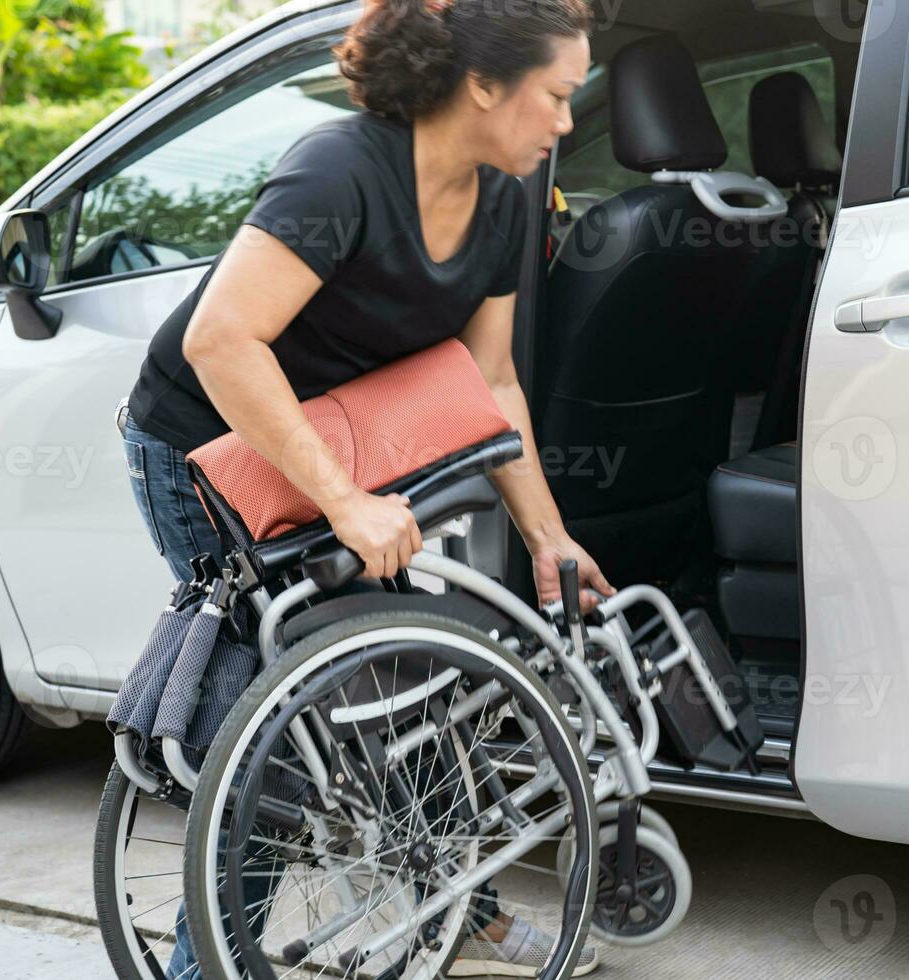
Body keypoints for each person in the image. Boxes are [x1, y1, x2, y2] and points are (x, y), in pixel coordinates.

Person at [116, 0, 608, 975]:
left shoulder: (504, 196)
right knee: (282, 745)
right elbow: (222, 341)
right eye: (556, 96)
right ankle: (200, 964)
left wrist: (549, 536)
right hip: (203, 447)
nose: (565, 122)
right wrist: (345, 501)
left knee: (399, 676)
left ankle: (455, 899)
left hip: (320, 451)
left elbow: (492, 379)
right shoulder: (341, 170)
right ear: (483, 86)